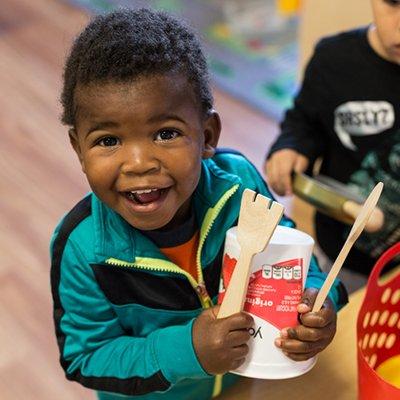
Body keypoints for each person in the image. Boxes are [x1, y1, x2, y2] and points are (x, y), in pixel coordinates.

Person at [50, 8, 347, 400]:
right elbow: (86, 357)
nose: (139, 164)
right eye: (108, 141)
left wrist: (317, 300)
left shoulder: (238, 186)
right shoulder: (82, 249)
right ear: (79, 150)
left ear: (207, 135)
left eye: (166, 133)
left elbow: (290, 259)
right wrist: (188, 350)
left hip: (243, 383)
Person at [265, 0, 400, 289]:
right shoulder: (334, 60)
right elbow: (304, 122)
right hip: (341, 254)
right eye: (394, 3)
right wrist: (290, 146)